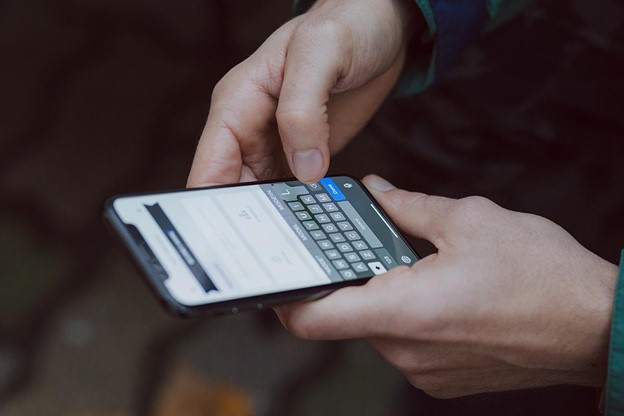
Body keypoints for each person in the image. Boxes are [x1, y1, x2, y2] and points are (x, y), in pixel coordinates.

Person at [186, 0, 623, 414]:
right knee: (466, 335)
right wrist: (397, 9)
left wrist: (599, 332)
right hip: (544, 91)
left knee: (499, 362)